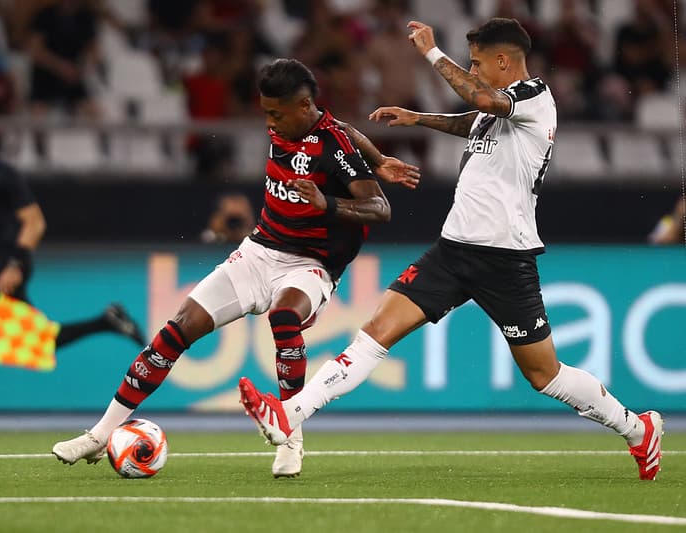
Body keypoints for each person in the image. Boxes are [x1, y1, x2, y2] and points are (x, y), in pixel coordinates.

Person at [238, 18, 664, 482]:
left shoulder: (535, 96)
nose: (474, 70)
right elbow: (472, 121)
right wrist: (419, 118)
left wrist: (432, 53)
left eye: (478, 63)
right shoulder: (501, 109)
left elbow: (482, 102)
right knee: (375, 332)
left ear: (504, 61)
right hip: (452, 250)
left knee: (544, 375)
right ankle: (289, 415)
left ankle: (637, 428)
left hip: (504, 258)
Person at [52, 58, 420, 478]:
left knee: (284, 317)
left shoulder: (331, 147)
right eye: (266, 112)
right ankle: (100, 434)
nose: (270, 122)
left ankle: (290, 440)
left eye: (276, 114)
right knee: (177, 328)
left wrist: (328, 203)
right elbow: (345, 127)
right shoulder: (295, 124)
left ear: (303, 106)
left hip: (311, 264)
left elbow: (380, 208)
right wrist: (377, 156)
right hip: (258, 250)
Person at [0, 102, 146, 433]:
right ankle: (106, 321)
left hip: (7, 261)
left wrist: (15, 264)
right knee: (40, 340)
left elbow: (35, 223)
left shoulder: (4, 174)